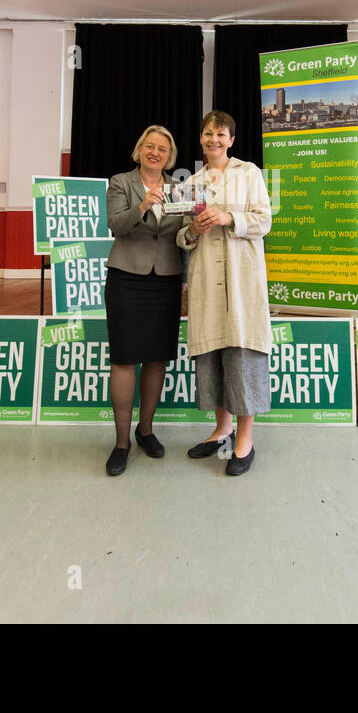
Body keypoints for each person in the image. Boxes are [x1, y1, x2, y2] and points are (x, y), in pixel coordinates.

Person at [176, 111, 272, 476]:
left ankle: (245, 437)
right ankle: (222, 428)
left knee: (242, 351)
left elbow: (265, 220)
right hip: (205, 279)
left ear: (231, 139)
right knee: (213, 353)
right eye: (207, 133)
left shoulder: (249, 173)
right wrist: (195, 229)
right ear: (200, 138)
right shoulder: (191, 182)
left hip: (242, 277)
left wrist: (230, 218)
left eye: (220, 134)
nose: (213, 139)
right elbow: (181, 236)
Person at [102, 125, 184, 476]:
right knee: (124, 359)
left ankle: (145, 429)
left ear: (170, 156)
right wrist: (142, 205)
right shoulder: (121, 182)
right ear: (139, 150)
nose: (155, 152)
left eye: (162, 149)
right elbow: (116, 225)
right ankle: (121, 443)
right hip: (125, 279)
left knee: (156, 359)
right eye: (149, 146)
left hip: (165, 280)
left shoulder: (180, 188)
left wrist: (194, 227)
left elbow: (181, 232)